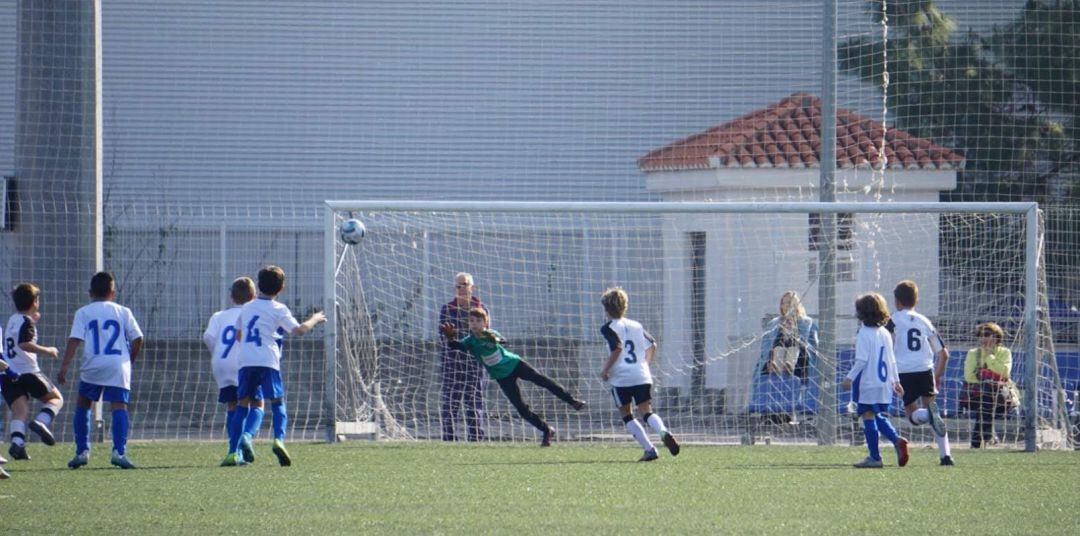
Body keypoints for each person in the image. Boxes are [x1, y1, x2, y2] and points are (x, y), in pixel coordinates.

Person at [223, 265, 326, 467]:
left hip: (246, 362)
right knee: (277, 403)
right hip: (268, 361)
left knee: (242, 405)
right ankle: (279, 439)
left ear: (258, 285)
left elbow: (238, 335)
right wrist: (315, 319)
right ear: (281, 288)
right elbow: (298, 331)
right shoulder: (279, 309)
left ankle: (238, 446)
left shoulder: (247, 307)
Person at [440, 308, 585, 446]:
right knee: (521, 408)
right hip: (502, 377)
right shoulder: (470, 341)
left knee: (543, 381)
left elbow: (502, 340)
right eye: (471, 321)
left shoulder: (490, 333)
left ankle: (572, 401)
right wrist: (450, 338)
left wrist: (495, 339)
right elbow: (457, 346)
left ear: (485, 322)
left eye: (478, 320)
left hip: (515, 364)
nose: (474, 324)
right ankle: (546, 430)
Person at [58, 272, 144, 470]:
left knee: (83, 404)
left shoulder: (83, 312)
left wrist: (64, 366)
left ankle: (82, 451)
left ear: (90, 293)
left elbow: (74, 340)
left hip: (93, 365)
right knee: (119, 406)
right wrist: (130, 360)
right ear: (113, 293)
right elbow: (138, 338)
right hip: (117, 365)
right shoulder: (123, 311)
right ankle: (119, 452)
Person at [599, 287, 679, 462]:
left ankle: (650, 449)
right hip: (642, 375)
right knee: (646, 412)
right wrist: (644, 364)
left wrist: (605, 370)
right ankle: (663, 431)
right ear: (625, 306)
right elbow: (653, 345)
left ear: (606, 309)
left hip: (621, 379)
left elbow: (617, 348)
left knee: (627, 414)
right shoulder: (636, 325)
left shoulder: (608, 328)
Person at [886, 280, 954, 466]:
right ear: (916, 300)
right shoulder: (924, 321)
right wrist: (936, 376)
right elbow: (944, 354)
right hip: (925, 370)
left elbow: (886, 346)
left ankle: (928, 415)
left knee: (912, 416)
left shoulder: (892, 320)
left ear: (897, 301)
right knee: (933, 408)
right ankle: (946, 456)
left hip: (904, 372)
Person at [842, 293, 908, 469]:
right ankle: (896, 440)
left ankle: (875, 457)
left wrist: (849, 377)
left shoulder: (863, 333)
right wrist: (896, 381)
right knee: (876, 414)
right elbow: (892, 360)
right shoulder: (885, 333)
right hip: (884, 382)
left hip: (869, 382)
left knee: (868, 416)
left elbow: (861, 360)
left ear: (861, 313)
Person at [203, 277, 266, 464]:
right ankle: (247, 437)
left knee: (233, 405)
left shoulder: (218, 316)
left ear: (231, 297)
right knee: (257, 403)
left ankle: (233, 452)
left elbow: (208, 338)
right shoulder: (253, 315)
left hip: (221, 364)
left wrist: (217, 353)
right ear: (254, 296)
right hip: (245, 364)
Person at [3, 283, 64, 461]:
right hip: (28, 372)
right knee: (56, 399)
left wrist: (32, 319)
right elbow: (24, 344)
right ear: (35, 301)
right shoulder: (27, 322)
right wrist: (48, 350)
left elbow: (19, 335)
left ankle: (17, 444)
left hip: (8, 373)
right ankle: (41, 422)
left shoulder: (13, 320)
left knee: (19, 411)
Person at [751, 291, 818, 423]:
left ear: (796, 304)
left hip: (799, 362)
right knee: (778, 349)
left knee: (793, 348)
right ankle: (769, 413)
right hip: (775, 360)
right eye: (784, 303)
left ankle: (788, 365)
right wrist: (768, 361)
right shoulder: (774, 323)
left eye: (789, 302)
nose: (786, 305)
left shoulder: (807, 323)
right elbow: (766, 348)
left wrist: (794, 332)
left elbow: (813, 347)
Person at [437, 272, 487, 442]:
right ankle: (449, 438)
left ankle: (476, 438)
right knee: (450, 402)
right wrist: (451, 338)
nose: (461, 288)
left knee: (474, 402)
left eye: (464, 284)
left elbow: (486, 336)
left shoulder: (481, 309)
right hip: (452, 363)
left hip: (474, 363)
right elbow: (442, 336)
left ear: (472, 287)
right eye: (458, 285)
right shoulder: (447, 309)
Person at [964, 322, 1014, 448]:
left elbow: (1005, 373)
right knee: (986, 395)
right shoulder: (973, 353)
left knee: (986, 400)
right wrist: (989, 380)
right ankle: (987, 436)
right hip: (975, 395)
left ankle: (978, 442)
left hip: (1001, 397)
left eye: (986, 335)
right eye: (980, 335)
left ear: (996, 337)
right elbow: (969, 376)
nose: (983, 338)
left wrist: (990, 356)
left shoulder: (1005, 352)